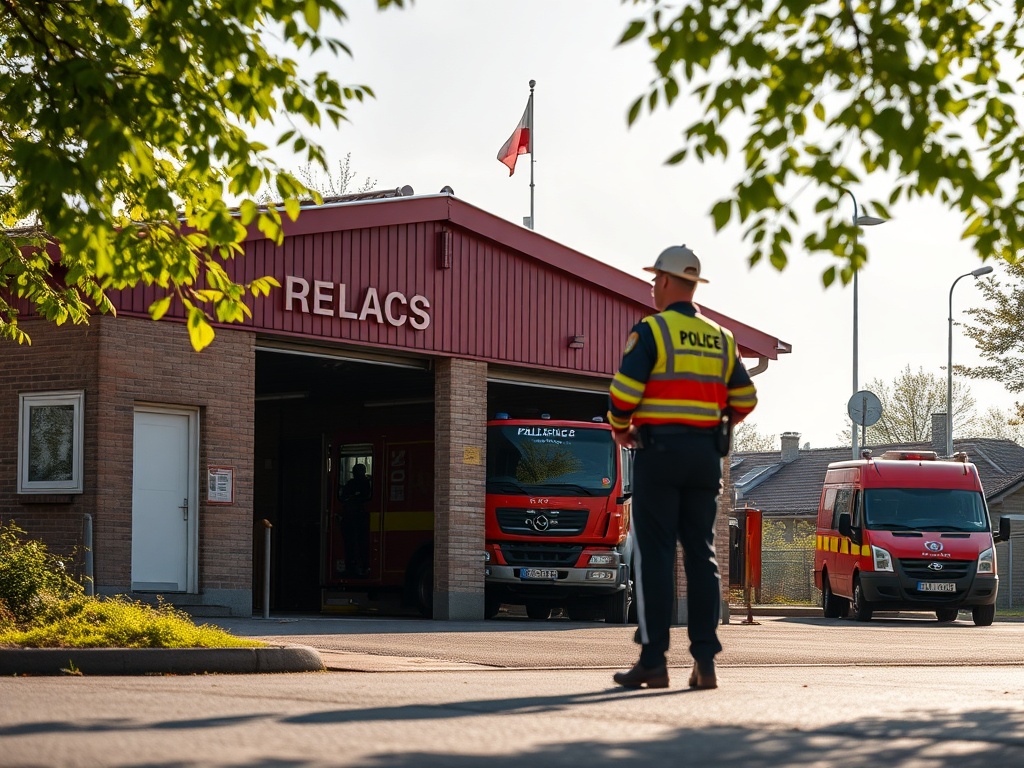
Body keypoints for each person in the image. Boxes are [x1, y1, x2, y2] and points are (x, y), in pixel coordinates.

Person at [608, 244, 757, 690]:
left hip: (660, 454)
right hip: (706, 459)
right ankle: (705, 662)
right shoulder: (721, 336)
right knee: (701, 555)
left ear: (669, 282)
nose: (653, 287)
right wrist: (716, 424)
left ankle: (654, 661)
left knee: (654, 555)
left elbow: (624, 393)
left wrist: (620, 428)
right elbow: (746, 399)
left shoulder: (653, 330)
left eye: (656, 279)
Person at [339, 463, 372, 578]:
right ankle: (358, 567)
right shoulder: (360, 483)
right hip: (355, 519)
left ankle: (359, 566)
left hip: (357, 519)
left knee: (357, 545)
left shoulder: (362, 483)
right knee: (355, 545)